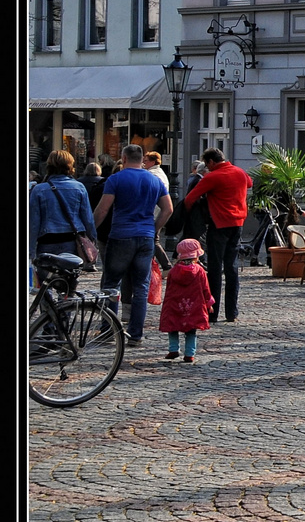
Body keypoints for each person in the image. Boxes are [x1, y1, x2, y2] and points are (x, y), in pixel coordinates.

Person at [91, 144, 172, 344]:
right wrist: (154, 228)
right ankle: (135, 334)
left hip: (121, 235)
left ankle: (109, 331)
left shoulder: (116, 179)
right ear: (141, 158)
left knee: (111, 284)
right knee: (141, 287)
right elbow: (167, 209)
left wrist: (90, 232)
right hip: (145, 237)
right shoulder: (154, 180)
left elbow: (103, 210)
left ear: (124, 158)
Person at [180, 147, 252, 325]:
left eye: (207, 164)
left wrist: (189, 217)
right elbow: (250, 183)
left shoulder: (212, 177)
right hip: (238, 224)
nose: (207, 167)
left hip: (219, 224)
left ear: (211, 162)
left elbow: (190, 198)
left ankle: (212, 312)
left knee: (214, 268)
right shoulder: (240, 172)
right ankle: (231, 312)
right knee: (231, 267)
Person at [30, 150, 95, 261]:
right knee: (69, 274)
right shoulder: (79, 187)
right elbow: (87, 218)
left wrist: (30, 250)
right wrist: (92, 238)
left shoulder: (39, 190)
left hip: (47, 239)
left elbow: (33, 222)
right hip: (71, 239)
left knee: (46, 275)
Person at [158, 237, 215, 364]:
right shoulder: (199, 271)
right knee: (191, 330)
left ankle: (173, 349)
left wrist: (167, 305)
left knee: (173, 326)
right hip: (193, 306)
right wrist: (208, 303)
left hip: (175, 304)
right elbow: (206, 289)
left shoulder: (173, 271)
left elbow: (169, 289)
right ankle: (190, 353)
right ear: (195, 256)